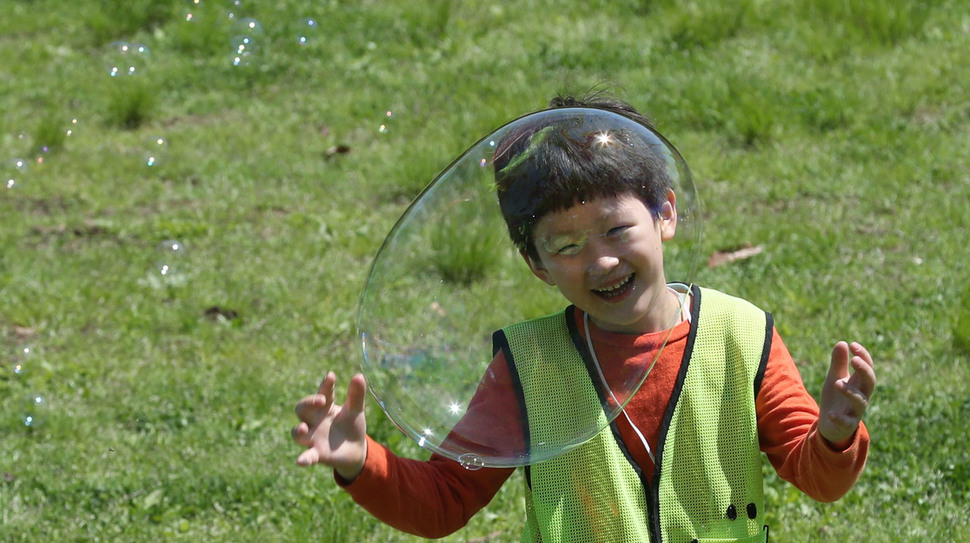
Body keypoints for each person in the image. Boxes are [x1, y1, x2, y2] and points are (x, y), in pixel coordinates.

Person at [291, 94, 877, 542]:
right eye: (565, 247)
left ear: (665, 214)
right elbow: (444, 499)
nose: (599, 260)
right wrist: (362, 462)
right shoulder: (526, 370)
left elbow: (819, 478)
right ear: (536, 264)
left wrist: (833, 434)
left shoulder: (741, 336)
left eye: (617, 229)